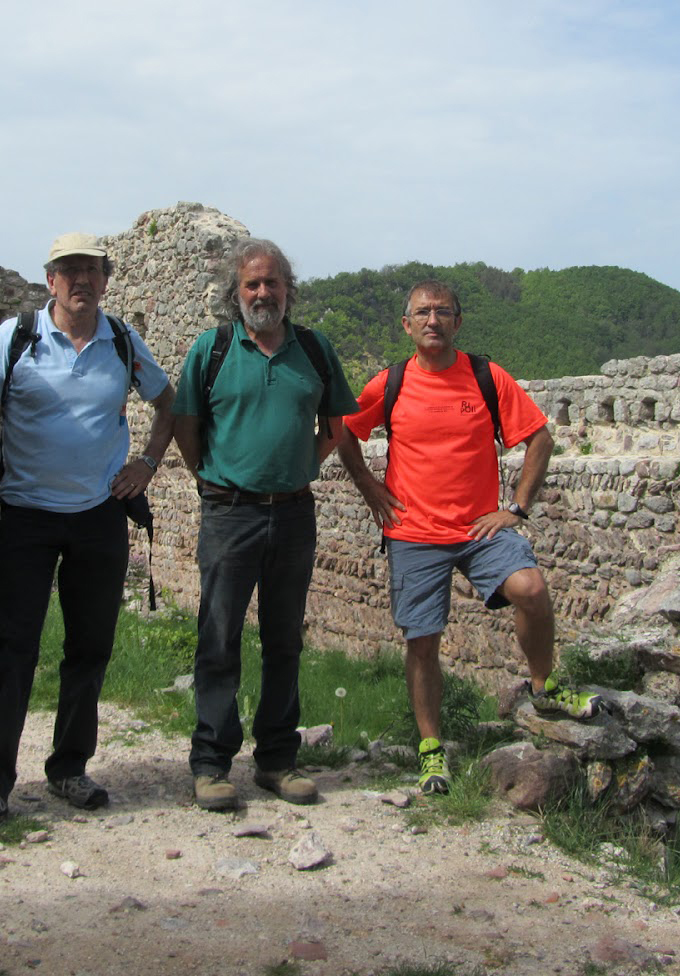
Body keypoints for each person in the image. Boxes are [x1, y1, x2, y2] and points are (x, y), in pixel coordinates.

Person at [337, 279, 598, 796]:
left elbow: (539, 438)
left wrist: (516, 508)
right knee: (422, 640)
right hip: (414, 532)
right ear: (406, 325)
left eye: (442, 312)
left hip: (481, 527)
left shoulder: (485, 377)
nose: (432, 321)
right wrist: (371, 490)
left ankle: (544, 687)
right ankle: (432, 751)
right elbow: (345, 432)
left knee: (532, 589)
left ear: (459, 321)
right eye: (422, 313)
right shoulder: (388, 384)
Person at [0, 232, 176, 832]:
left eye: (91, 271)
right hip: (25, 512)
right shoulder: (16, 337)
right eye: (69, 271)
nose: (81, 281)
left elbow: (167, 402)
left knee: (89, 647)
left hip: (99, 513)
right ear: (50, 280)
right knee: (10, 649)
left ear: (106, 280)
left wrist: (148, 464)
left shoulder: (122, 341)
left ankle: (68, 768)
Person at [171, 238, 358, 811]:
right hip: (230, 513)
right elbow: (186, 423)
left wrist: (302, 466)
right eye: (252, 283)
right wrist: (212, 476)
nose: (262, 292)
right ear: (237, 291)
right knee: (219, 638)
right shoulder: (214, 348)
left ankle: (277, 760)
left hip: (294, 513)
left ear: (287, 290)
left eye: (272, 283)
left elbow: (336, 427)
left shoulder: (314, 350)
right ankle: (210, 764)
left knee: (284, 640)